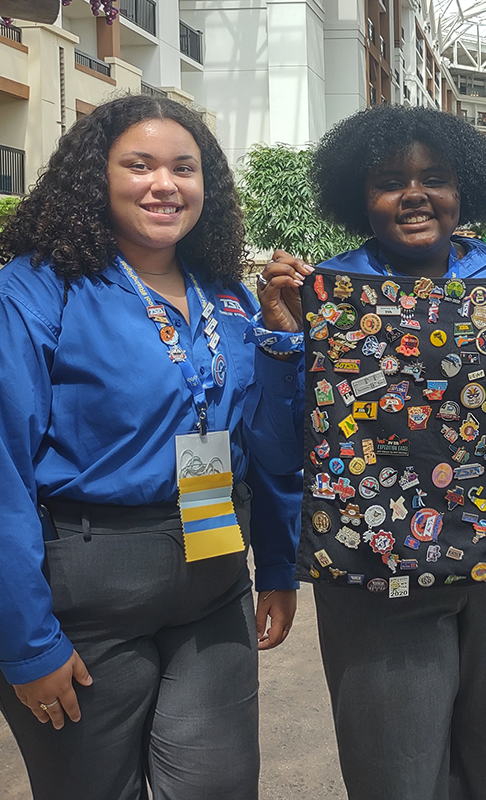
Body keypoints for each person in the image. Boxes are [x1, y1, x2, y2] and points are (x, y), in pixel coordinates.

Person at [252, 103, 486, 800]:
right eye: (390, 181)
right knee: (394, 774)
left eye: (435, 178)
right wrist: (282, 341)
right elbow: (280, 452)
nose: (415, 194)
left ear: (465, 189)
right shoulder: (323, 295)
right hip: (375, 571)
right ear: (358, 195)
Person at [0, 94, 300, 800]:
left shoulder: (229, 295)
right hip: (84, 588)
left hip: (214, 572)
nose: (164, 184)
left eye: (183, 169)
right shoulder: (37, 288)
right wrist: (25, 641)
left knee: (219, 785)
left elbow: (266, 444)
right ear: (95, 177)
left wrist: (279, 563)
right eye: (139, 165)